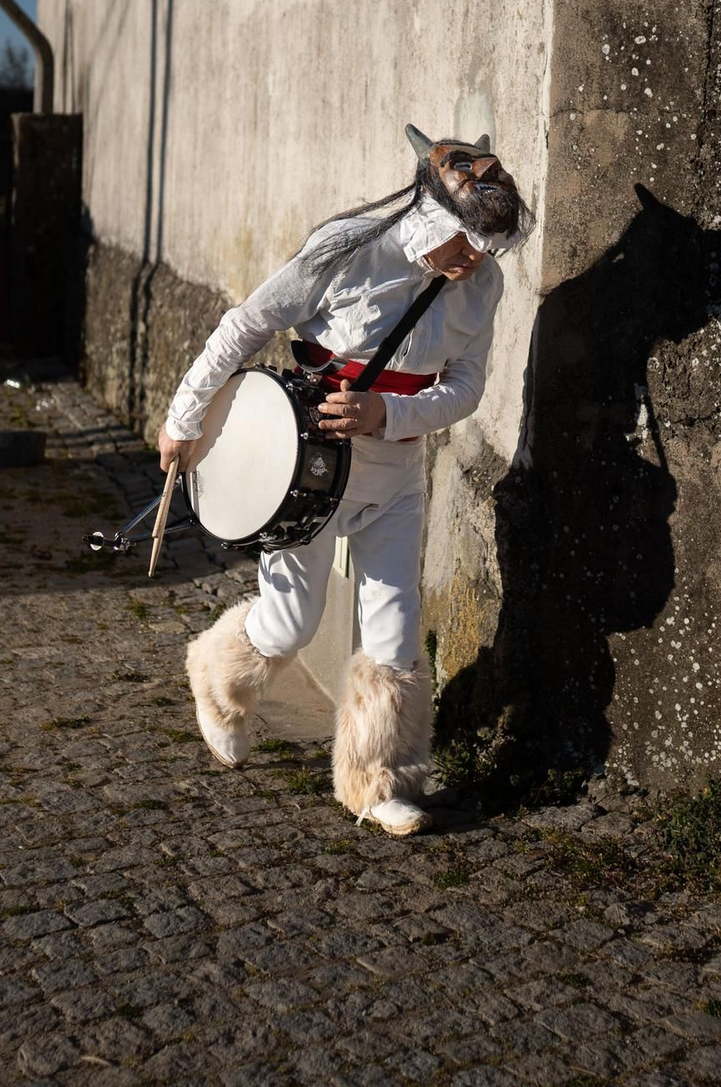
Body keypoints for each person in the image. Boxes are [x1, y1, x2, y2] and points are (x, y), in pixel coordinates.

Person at [159, 124, 530, 836]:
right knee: (292, 621)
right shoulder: (349, 246)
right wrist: (183, 417)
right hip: (308, 465)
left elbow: (467, 388)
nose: (473, 260)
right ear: (433, 213)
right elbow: (247, 323)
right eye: (465, 241)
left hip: (396, 469)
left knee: (395, 625)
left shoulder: (483, 283)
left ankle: (373, 780)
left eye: (488, 246)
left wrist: (385, 410)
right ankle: (217, 675)